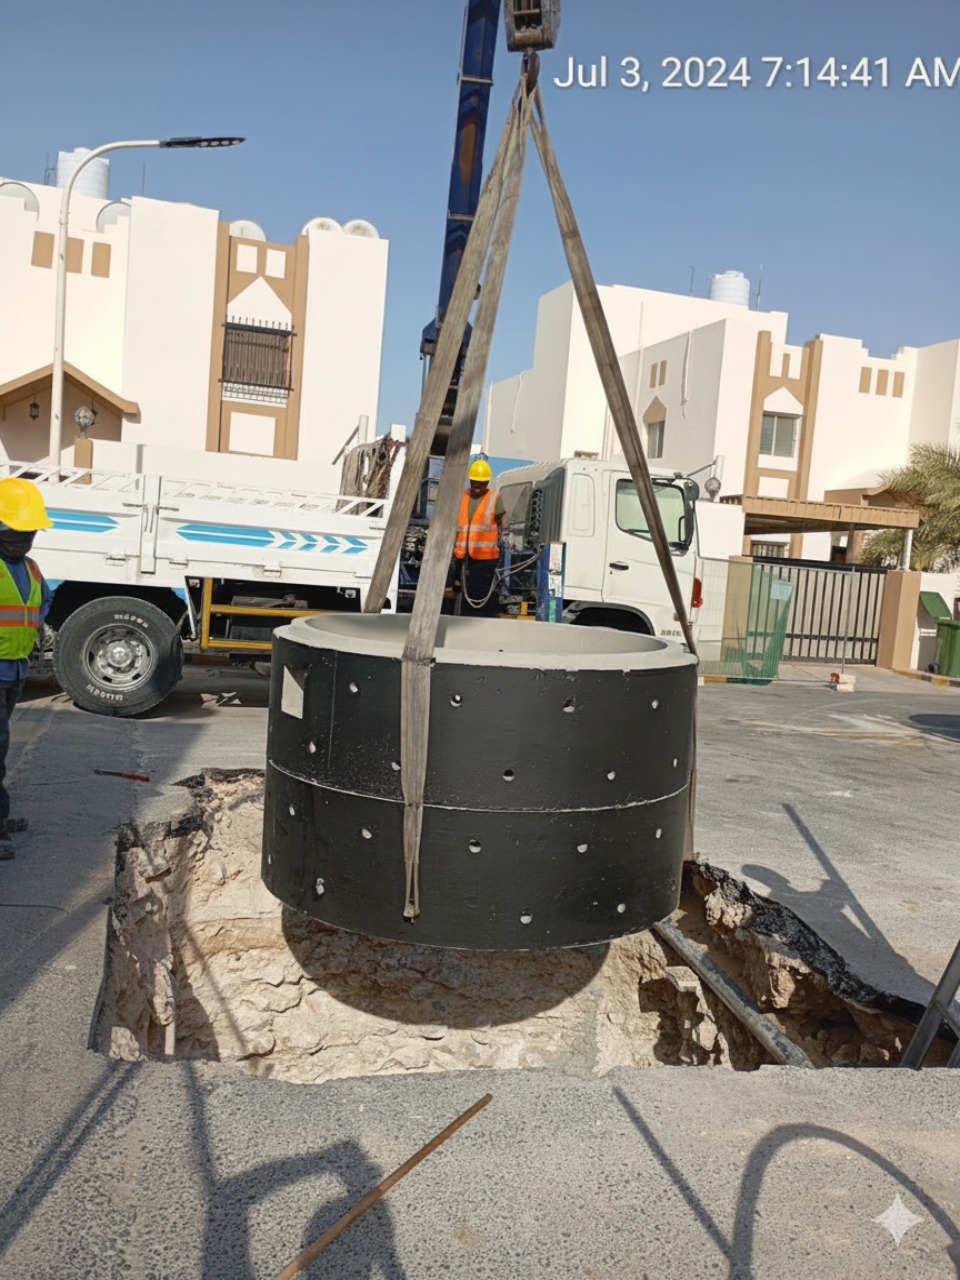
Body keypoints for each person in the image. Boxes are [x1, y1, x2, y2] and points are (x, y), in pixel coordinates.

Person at [0, 478, 53, 860]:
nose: (22, 541)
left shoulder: (32, 569)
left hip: (14, 672)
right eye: (15, 533)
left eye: (28, 534)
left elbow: (41, 602)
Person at [453, 458, 505, 618]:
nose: (478, 486)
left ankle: (480, 620)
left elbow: (501, 524)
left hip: (485, 558)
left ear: (487, 482)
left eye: (481, 483)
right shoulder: (462, 497)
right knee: (459, 591)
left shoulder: (494, 498)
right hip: (462, 555)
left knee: (481, 595)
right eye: (475, 482)